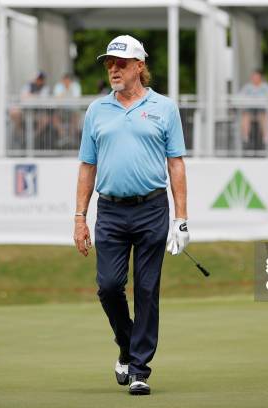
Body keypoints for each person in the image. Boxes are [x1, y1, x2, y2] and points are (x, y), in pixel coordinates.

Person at [73, 35, 189, 396]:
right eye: (109, 63)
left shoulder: (164, 108)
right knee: (108, 287)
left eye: (121, 63)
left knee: (147, 288)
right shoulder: (97, 110)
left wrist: (180, 219)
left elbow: (176, 164)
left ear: (140, 66)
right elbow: (87, 166)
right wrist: (80, 217)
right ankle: (126, 347)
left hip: (153, 208)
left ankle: (139, 368)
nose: (113, 69)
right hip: (110, 211)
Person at [238, 70, 268, 148]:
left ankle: (266, 140)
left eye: (257, 77)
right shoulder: (247, 87)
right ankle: (245, 140)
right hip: (250, 110)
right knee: (245, 116)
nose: (255, 79)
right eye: (253, 77)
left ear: (260, 78)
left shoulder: (266, 87)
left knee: (263, 116)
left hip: (262, 110)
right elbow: (240, 98)